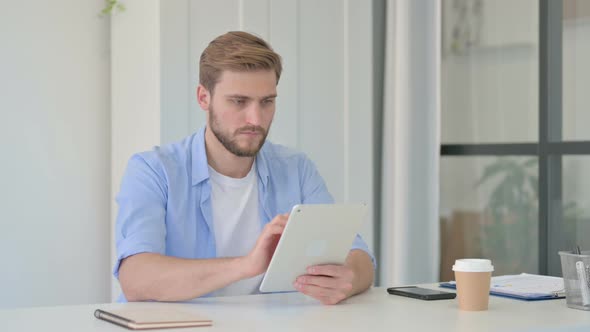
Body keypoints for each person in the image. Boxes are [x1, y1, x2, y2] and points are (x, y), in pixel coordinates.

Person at [114, 31, 375, 305]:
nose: (255, 119)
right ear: (204, 98)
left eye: (267, 102)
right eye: (239, 101)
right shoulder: (153, 171)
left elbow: (359, 257)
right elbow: (136, 278)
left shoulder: (296, 169)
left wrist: (350, 279)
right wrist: (246, 265)